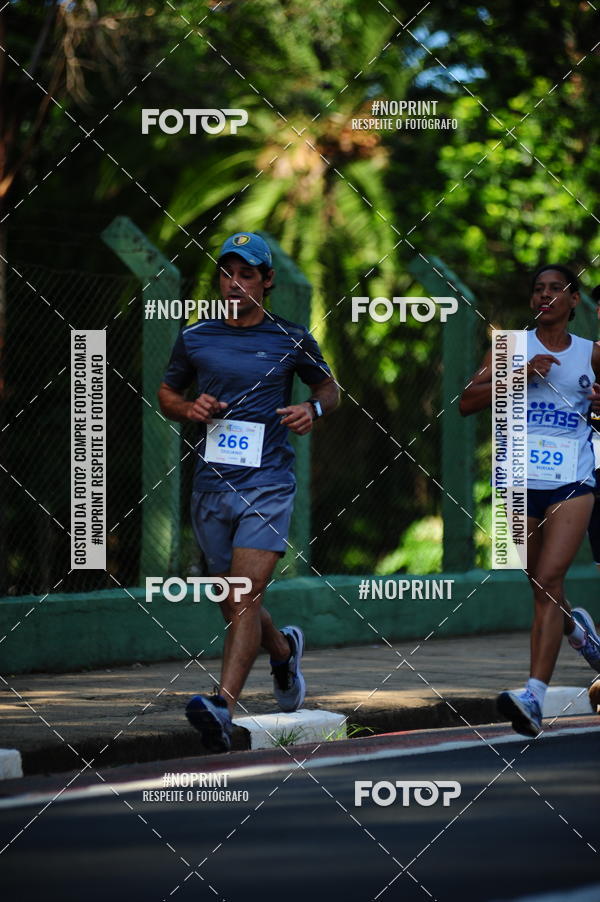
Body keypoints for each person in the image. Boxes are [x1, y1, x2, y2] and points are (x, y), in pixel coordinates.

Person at [158, 231, 339, 753]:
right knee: (231, 595)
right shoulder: (195, 337)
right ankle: (282, 653)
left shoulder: (292, 337)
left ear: (267, 280)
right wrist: (187, 408)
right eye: (226, 273)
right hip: (211, 485)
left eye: (246, 274)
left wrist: (314, 408)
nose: (234, 283)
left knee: (243, 593)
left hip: (268, 482)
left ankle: (222, 705)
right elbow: (168, 392)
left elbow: (328, 387)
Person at [460, 264, 600, 736]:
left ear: (573, 300)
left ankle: (534, 697)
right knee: (538, 586)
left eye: (556, 289)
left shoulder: (592, 354)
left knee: (547, 579)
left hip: (572, 481)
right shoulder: (510, 347)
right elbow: (466, 401)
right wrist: (517, 375)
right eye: (538, 290)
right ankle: (579, 632)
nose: (546, 296)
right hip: (517, 480)